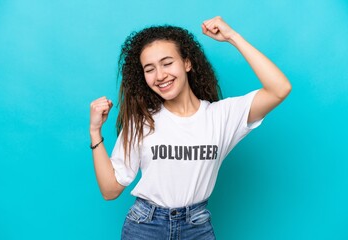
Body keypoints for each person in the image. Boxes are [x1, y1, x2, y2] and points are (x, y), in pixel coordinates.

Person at [89, 16, 291, 240]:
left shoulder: (222, 116)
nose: (160, 75)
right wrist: (95, 132)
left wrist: (233, 37)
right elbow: (110, 190)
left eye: (167, 63)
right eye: (150, 69)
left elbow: (279, 89)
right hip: (145, 226)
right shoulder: (142, 121)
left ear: (187, 63)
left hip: (197, 227)